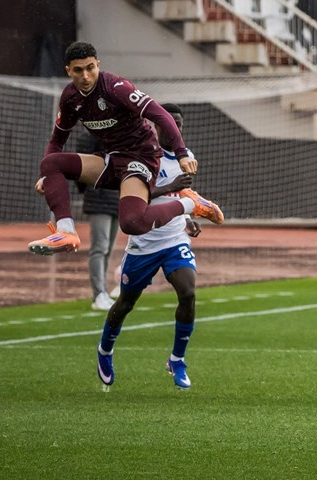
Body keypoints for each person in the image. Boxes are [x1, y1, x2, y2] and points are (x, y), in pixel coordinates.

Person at [28, 41, 223, 256]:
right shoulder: (70, 98)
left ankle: (190, 203)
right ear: (68, 71)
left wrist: (181, 153)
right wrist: (46, 176)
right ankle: (66, 232)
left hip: (140, 156)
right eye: (78, 70)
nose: (85, 76)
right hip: (111, 158)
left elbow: (161, 115)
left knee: (132, 223)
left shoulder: (116, 87)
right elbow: (57, 140)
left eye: (90, 68)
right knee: (50, 163)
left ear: (98, 65)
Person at [96, 103, 206, 390]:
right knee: (126, 303)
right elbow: (135, 196)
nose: (176, 129)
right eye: (171, 123)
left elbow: (183, 193)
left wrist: (188, 218)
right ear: (157, 126)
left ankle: (177, 360)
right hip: (144, 244)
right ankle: (105, 350)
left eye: (179, 124)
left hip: (173, 239)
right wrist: (169, 188)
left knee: (188, 292)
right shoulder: (142, 157)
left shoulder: (186, 157)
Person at [84, 184, 120, 310]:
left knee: (107, 250)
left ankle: (102, 292)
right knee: (99, 248)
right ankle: (98, 294)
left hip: (117, 203)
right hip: (99, 203)